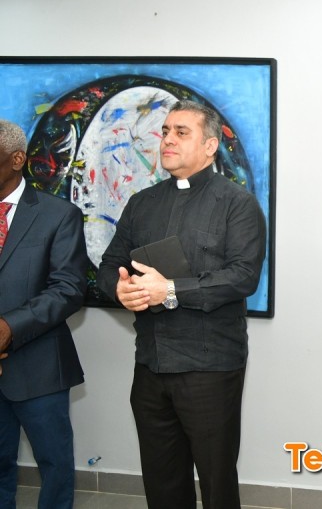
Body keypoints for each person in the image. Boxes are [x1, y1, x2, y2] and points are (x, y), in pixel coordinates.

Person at [97, 100, 266, 509]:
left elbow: (242, 276)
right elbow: (109, 266)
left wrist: (170, 290)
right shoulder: (141, 203)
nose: (168, 140)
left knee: (217, 484)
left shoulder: (237, 203)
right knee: (162, 484)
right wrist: (119, 290)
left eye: (181, 132)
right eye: (165, 131)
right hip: (150, 365)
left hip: (210, 368)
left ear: (210, 146)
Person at [0, 119, 88, 508]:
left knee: (54, 466)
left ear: (17, 159)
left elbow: (68, 289)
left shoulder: (58, 214)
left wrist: (9, 326)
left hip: (38, 368)